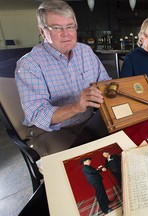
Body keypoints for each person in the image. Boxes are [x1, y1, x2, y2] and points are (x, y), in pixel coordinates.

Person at [15, 0, 111, 156]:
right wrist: (77, 106)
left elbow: (105, 82)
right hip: (50, 130)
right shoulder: (29, 64)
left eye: (70, 26)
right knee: (80, 165)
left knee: (120, 145)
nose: (66, 34)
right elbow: (38, 115)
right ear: (42, 31)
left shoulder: (86, 51)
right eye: (57, 28)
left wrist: (108, 90)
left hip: (87, 121)